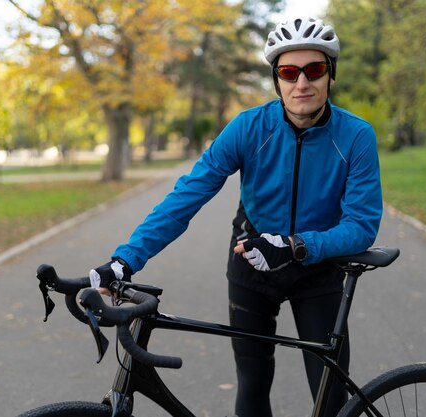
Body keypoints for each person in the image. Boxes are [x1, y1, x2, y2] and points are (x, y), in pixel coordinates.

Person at [90, 16, 383, 417]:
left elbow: (361, 226)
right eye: (289, 72)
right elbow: (189, 194)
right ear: (276, 79)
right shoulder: (249, 128)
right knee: (253, 384)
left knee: (330, 396)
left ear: (330, 74)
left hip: (319, 268)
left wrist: (297, 245)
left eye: (314, 70)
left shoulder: (355, 135)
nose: (302, 83)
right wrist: (125, 259)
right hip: (251, 263)